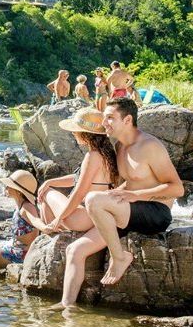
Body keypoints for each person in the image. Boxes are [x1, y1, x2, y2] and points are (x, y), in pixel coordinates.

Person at [52, 98, 184, 310]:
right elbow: (127, 184)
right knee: (75, 250)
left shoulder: (150, 146)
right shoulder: (120, 146)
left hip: (154, 213)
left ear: (128, 119)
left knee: (93, 198)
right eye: (104, 118)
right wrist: (118, 194)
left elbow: (177, 189)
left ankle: (119, 257)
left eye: (110, 118)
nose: (105, 123)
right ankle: (67, 306)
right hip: (126, 213)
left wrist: (136, 195)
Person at [37, 108, 119, 235]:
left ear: (85, 134)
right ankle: (51, 235)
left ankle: (51, 235)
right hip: (97, 215)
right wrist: (50, 181)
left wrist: (60, 218)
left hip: (83, 218)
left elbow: (80, 192)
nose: (73, 134)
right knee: (46, 193)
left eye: (75, 131)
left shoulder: (92, 156)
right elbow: (79, 178)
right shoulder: (107, 154)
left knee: (46, 193)